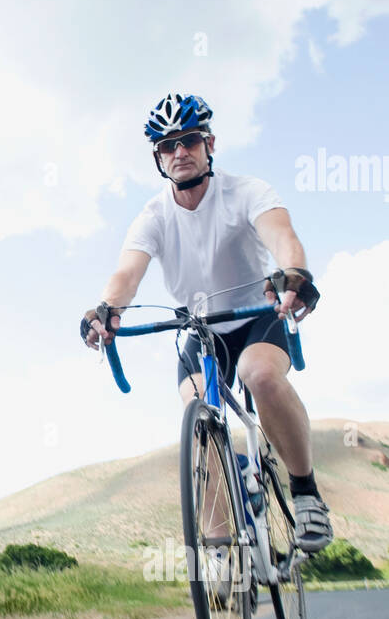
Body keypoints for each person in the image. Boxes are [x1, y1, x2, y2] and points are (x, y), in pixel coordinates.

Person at [80, 92, 332, 553]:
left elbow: (283, 237)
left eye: (190, 140)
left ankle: (306, 492)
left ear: (209, 143)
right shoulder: (153, 216)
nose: (180, 152)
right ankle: (219, 549)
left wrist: (295, 273)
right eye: (167, 144)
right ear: (158, 156)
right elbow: (126, 274)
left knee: (259, 374)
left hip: (257, 315)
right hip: (202, 330)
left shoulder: (246, 192)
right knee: (197, 413)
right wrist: (106, 308)